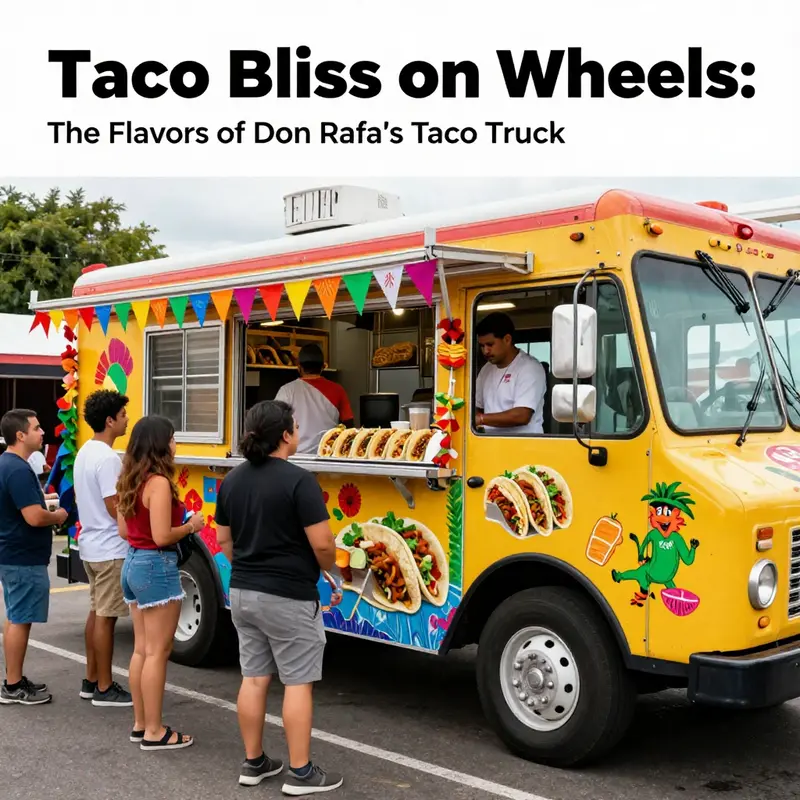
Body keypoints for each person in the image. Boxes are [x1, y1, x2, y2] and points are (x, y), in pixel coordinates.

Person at [215, 400, 344, 795]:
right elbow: (322, 543)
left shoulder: (233, 480)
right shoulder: (299, 480)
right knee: (298, 682)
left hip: (242, 592)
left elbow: (223, 541)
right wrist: (332, 570)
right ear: (285, 435)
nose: (298, 431)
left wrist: (251, 565)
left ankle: (254, 763)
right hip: (288, 594)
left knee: (254, 678)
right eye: (295, 426)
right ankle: (301, 773)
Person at [116, 415, 204, 751]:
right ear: (160, 444)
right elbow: (162, 535)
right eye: (172, 438)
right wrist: (192, 525)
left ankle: (141, 724)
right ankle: (154, 731)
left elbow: (126, 531)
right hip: (156, 565)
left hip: (133, 562)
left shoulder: (127, 479)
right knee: (158, 652)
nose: (175, 444)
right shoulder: (159, 484)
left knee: (142, 649)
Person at [0, 409, 68, 705]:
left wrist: (47, 502)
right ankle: (13, 685)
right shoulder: (16, 469)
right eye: (37, 428)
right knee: (19, 619)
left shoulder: (8, 464)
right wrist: (59, 514)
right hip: (21, 556)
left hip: (13, 554)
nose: (43, 433)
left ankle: (13, 678)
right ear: (20, 435)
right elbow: (33, 517)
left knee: (16, 617)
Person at [73, 389, 133, 707]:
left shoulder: (85, 451)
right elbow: (115, 507)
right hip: (110, 548)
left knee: (96, 613)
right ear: (109, 421)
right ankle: (105, 687)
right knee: (107, 618)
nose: (126, 420)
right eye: (123, 416)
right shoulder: (108, 458)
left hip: (91, 545)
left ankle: (92, 678)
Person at [475, 311, 547, 435]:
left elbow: (522, 415)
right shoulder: (486, 369)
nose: (485, 351)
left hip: (523, 446)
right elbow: (477, 406)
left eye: (490, 344)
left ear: (507, 339)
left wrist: (481, 419)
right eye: (482, 346)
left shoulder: (529, 368)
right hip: (488, 444)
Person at [274, 343, 354, 454]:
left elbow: (274, 424)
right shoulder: (338, 390)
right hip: (327, 456)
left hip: (295, 458)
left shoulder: (286, 391)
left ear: (299, 367)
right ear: (323, 367)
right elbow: (349, 427)